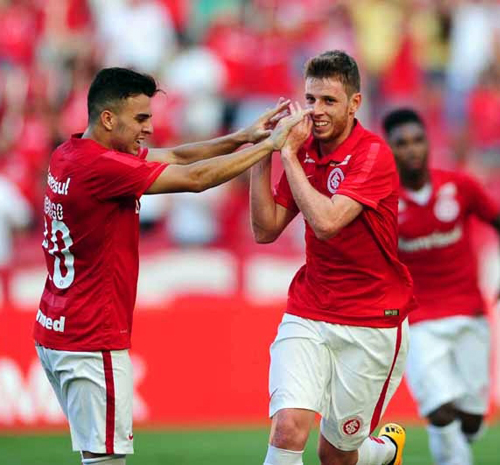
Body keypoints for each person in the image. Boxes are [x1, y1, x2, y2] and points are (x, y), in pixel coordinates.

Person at [33, 67, 310, 465]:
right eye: (141, 118)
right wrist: (272, 146)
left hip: (55, 329)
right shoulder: (103, 169)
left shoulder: (71, 154)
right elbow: (194, 178)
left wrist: (245, 137)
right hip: (92, 338)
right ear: (109, 118)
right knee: (105, 461)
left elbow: (178, 155)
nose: (149, 127)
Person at [249, 50, 415, 465]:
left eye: (328, 101)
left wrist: (287, 156)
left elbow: (326, 222)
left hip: (372, 321)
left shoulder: (372, 155)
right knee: (287, 426)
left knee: (336, 455)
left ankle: (384, 453)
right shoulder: (305, 152)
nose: (316, 111)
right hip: (310, 310)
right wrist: (262, 152)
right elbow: (264, 230)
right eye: (310, 100)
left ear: (354, 104)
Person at [382, 108, 500, 465]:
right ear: (390, 149)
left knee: (471, 418)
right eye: (402, 144)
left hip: (469, 314)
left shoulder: (459, 186)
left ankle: (468, 429)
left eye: (417, 140)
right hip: (419, 321)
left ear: (428, 143)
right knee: (439, 409)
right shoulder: (384, 203)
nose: (411, 149)